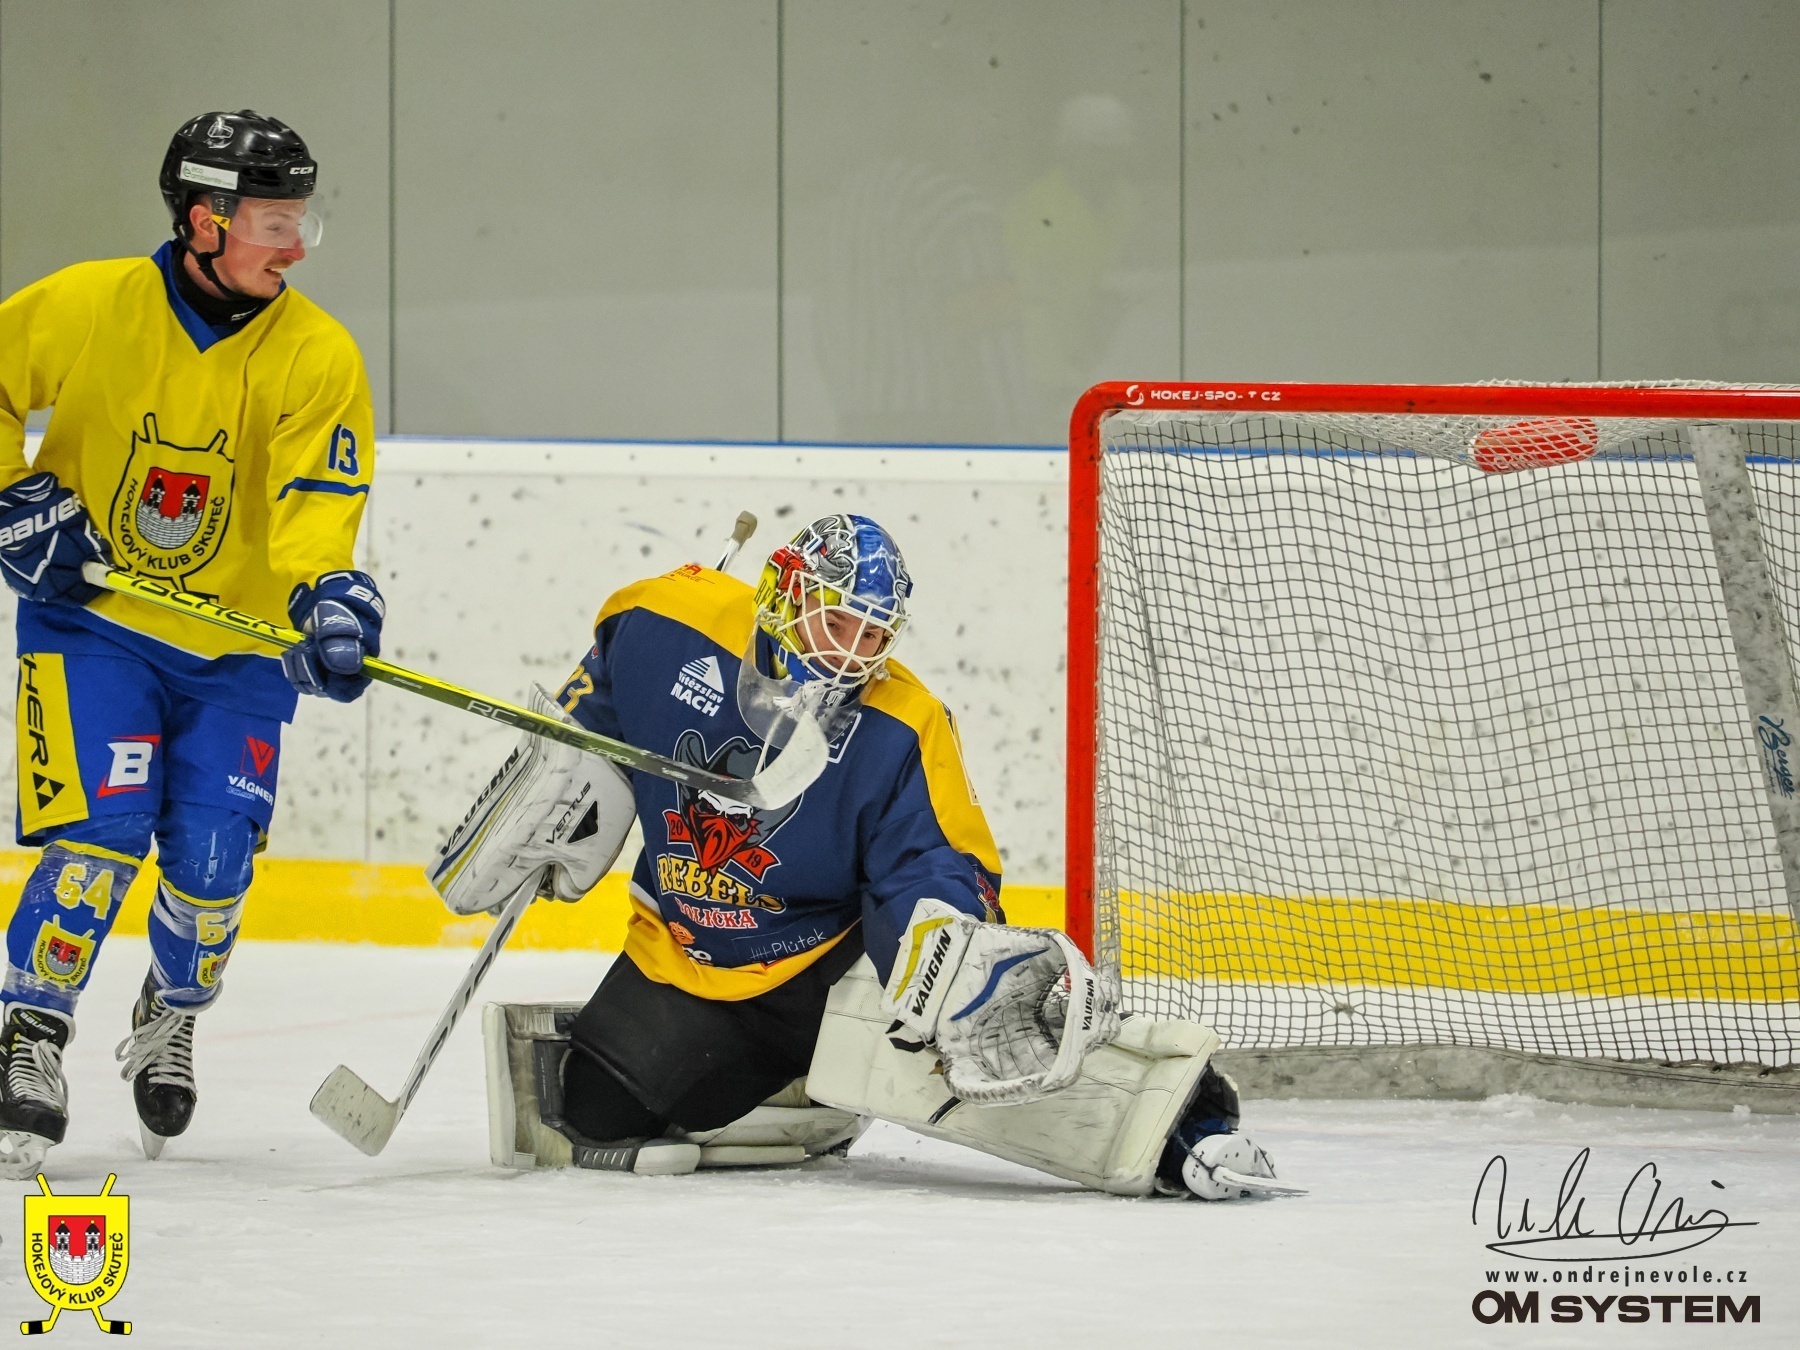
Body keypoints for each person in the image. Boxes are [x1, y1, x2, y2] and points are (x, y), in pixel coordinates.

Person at [431, 514, 1293, 1200]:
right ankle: (807, 1100)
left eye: (874, 636)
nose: (851, 652)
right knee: (595, 1112)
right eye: (837, 621)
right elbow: (598, 706)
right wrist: (552, 788)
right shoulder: (663, 625)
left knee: (970, 1026)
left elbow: (931, 861)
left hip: (832, 965)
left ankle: (1182, 1122)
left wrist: (941, 942)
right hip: (686, 956)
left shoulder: (900, 725)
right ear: (783, 593)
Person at [0, 110, 384, 1173]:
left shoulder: (318, 354)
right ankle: (30, 1036)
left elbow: (317, 507)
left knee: (214, 867)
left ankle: (169, 1016)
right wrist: (11, 498)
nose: (294, 244)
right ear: (204, 219)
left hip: (238, 651)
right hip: (96, 625)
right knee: (100, 838)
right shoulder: (88, 305)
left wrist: (328, 597)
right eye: (272, 221)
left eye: (302, 220)